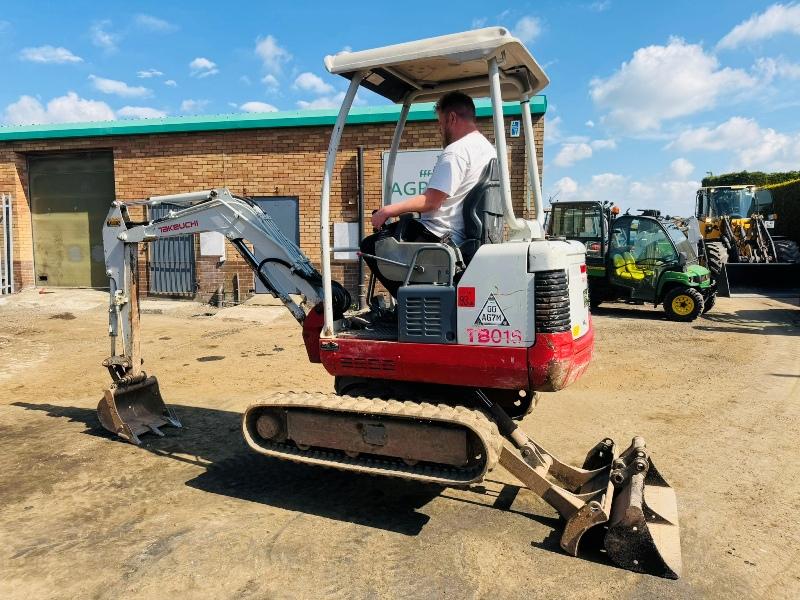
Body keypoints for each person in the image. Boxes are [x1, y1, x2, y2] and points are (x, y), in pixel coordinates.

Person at [361, 91, 496, 297]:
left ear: (451, 118)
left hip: (439, 235)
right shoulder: (487, 149)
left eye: (440, 123)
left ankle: (409, 309)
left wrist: (387, 211)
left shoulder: (457, 151)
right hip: (462, 234)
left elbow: (432, 201)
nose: (440, 129)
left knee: (371, 245)